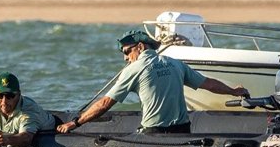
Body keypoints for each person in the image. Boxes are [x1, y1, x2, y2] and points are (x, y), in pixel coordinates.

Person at [57, 30, 251, 134]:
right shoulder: (175, 63)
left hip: (155, 132)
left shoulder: (134, 69)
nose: (125, 58)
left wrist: (76, 122)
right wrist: (233, 92)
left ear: (140, 47)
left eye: (126, 52)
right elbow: (208, 83)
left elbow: (105, 103)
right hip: (183, 130)